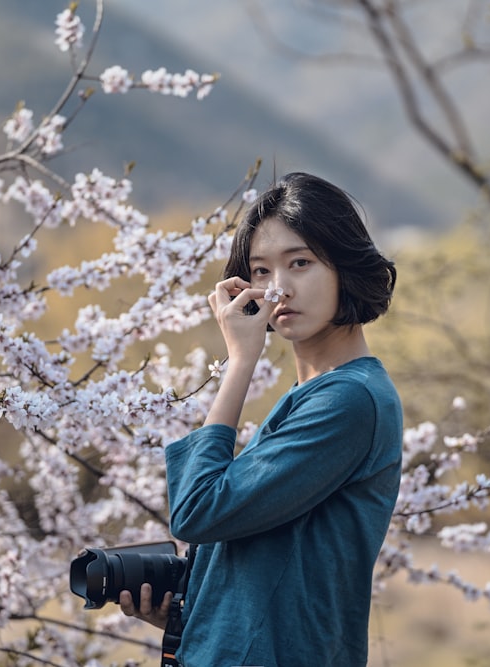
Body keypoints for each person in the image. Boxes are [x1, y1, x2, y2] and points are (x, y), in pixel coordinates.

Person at [119, 172, 403, 666]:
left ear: (345, 266)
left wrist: (239, 362)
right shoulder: (313, 395)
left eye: (300, 263)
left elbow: (197, 512)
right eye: (262, 272)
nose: (279, 290)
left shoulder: (349, 401)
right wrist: (193, 610)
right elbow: (272, 561)